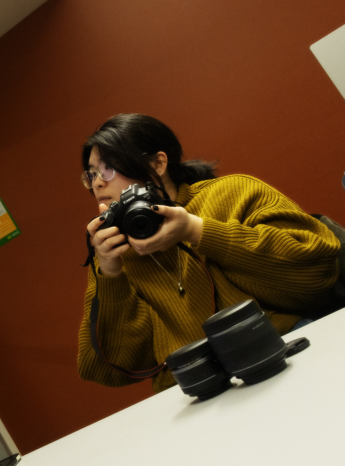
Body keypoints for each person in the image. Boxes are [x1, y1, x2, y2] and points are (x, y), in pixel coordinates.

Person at [78, 114, 340, 392]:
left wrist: (197, 231)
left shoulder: (234, 192)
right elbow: (106, 369)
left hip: (280, 354)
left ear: (157, 164)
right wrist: (110, 275)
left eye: (108, 169)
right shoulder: (113, 251)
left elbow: (318, 272)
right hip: (199, 387)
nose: (97, 183)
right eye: (91, 174)